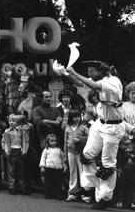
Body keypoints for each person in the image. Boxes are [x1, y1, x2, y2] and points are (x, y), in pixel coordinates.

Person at [66, 61, 135, 210]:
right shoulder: (102, 80)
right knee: (86, 154)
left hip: (112, 127)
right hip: (100, 124)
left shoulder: (113, 82)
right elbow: (80, 82)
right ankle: (93, 184)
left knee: (108, 164)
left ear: (100, 71)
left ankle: (105, 198)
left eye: (91, 71)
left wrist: (74, 71)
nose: (89, 74)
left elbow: (94, 86)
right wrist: (66, 72)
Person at [64, 109, 91, 203]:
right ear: (71, 118)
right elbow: (65, 142)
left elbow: (90, 137)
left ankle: (85, 193)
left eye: (78, 116)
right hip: (70, 152)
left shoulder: (83, 127)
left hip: (80, 152)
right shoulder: (67, 128)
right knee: (72, 172)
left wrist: (80, 139)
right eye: (75, 117)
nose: (77, 119)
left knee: (83, 172)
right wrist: (64, 155)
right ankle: (72, 193)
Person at [2, 114, 29, 195]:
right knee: (11, 170)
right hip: (11, 151)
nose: (11, 122)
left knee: (21, 170)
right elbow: (4, 142)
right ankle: (12, 187)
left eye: (13, 121)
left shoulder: (21, 131)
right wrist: (5, 150)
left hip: (19, 151)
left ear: (17, 122)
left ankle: (21, 187)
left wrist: (24, 151)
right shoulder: (7, 132)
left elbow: (25, 140)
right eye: (10, 121)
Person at [39, 133, 67, 200]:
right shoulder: (46, 150)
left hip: (58, 168)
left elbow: (63, 158)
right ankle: (48, 194)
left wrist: (65, 166)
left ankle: (58, 194)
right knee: (49, 182)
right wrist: (42, 166)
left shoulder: (59, 150)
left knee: (58, 182)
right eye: (51, 141)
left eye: (55, 141)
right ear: (48, 142)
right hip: (49, 167)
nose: (53, 143)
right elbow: (43, 158)